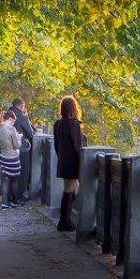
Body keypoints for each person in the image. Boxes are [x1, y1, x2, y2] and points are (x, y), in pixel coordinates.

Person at [52, 95, 86, 231]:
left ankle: (67, 220)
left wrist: (61, 156)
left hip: (63, 160)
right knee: (69, 190)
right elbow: (78, 146)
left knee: (72, 188)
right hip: (73, 161)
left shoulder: (58, 123)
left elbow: (56, 144)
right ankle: (64, 222)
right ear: (74, 108)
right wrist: (83, 162)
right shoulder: (74, 124)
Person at [0, 109, 23, 208]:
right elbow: (17, 146)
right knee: (14, 180)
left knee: (5, 180)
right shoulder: (11, 129)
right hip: (12, 158)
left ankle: (5, 203)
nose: (14, 123)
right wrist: (19, 138)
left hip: (3, 157)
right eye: (13, 121)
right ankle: (15, 202)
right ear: (10, 119)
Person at [10, 98, 35, 204]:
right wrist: (27, 117)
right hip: (21, 148)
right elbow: (30, 133)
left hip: (7, 148)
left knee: (11, 172)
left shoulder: (6, 114)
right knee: (23, 172)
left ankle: (9, 194)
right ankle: (19, 195)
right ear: (21, 106)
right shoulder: (21, 116)